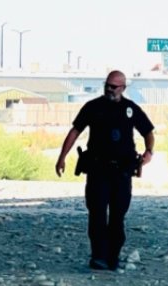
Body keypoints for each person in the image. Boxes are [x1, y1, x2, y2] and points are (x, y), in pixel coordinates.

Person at [55, 70, 155, 271]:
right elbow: (75, 131)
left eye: (114, 86)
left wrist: (149, 152)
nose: (109, 89)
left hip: (122, 171)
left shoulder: (130, 109)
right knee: (97, 214)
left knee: (118, 216)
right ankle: (98, 255)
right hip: (98, 170)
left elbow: (148, 132)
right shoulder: (93, 107)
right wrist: (62, 157)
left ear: (123, 88)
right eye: (107, 85)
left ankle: (113, 256)